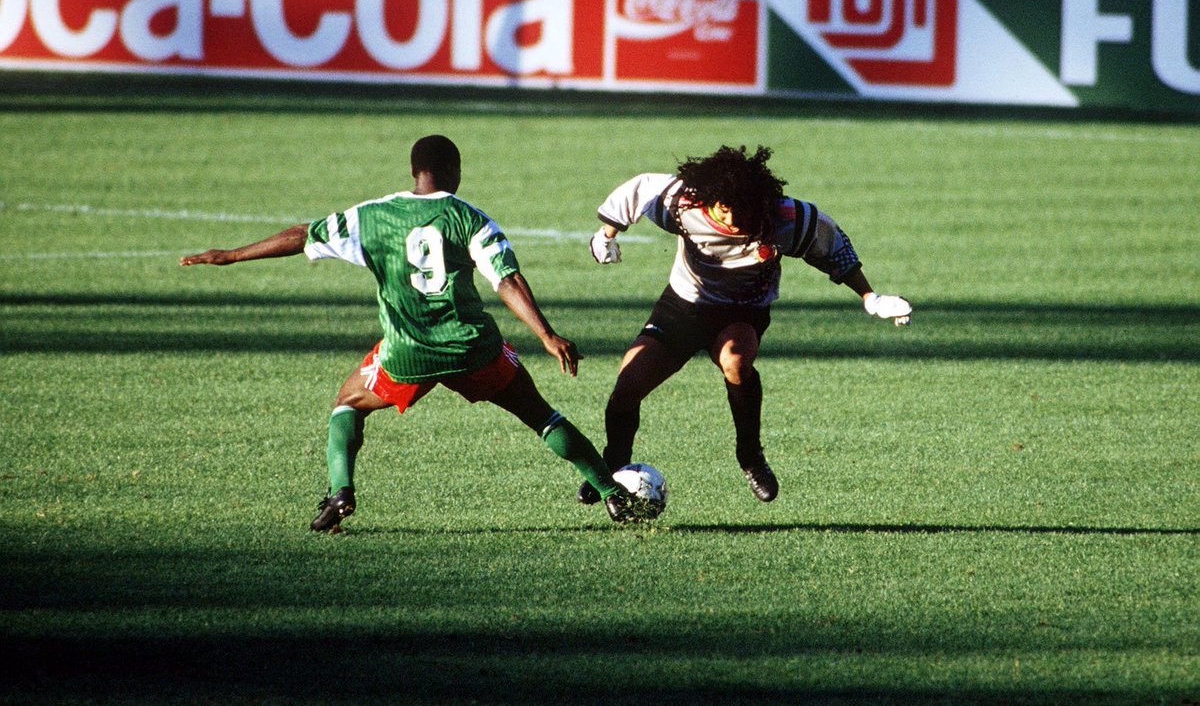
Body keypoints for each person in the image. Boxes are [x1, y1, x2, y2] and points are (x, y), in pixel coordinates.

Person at [181, 134, 635, 530]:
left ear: (414, 171)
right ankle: (612, 494)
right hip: (472, 348)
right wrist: (546, 335)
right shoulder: (470, 218)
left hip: (407, 353)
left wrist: (233, 255)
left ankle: (341, 492)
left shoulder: (372, 216)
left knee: (348, 404)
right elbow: (506, 280)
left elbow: (303, 234)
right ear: (454, 171)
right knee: (540, 415)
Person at [579, 145, 911, 506]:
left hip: (743, 311)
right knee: (627, 385)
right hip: (683, 306)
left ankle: (750, 456)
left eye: (744, 206)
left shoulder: (784, 218)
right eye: (724, 207)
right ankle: (613, 464)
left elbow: (832, 247)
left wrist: (870, 297)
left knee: (736, 360)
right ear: (708, 200)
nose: (734, 216)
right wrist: (606, 234)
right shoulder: (682, 205)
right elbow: (640, 189)